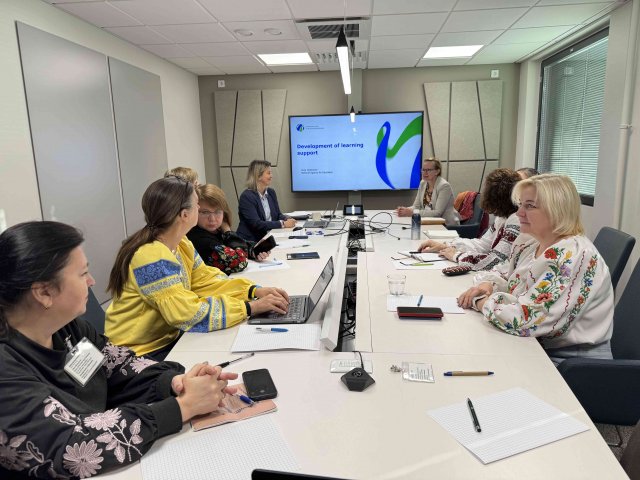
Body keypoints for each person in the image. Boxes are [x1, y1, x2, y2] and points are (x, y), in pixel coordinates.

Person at [0, 221, 238, 479]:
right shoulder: (5, 367)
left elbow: (118, 367)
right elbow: (72, 448)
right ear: (44, 292)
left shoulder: (67, 329)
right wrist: (182, 408)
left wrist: (175, 383)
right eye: (82, 274)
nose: (91, 281)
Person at [105, 176, 289, 360]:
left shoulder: (181, 243)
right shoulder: (152, 257)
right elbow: (187, 315)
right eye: (197, 205)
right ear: (185, 215)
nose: (199, 207)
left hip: (167, 341)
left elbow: (206, 281)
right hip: (137, 352)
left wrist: (253, 291)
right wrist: (249, 308)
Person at [457, 174, 614, 364]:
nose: (519, 213)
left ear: (557, 210)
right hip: (533, 347)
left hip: (569, 365)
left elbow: (525, 321)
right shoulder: (531, 242)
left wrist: (480, 301)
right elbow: (505, 274)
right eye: (520, 205)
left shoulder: (573, 256)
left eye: (530, 206)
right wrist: (488, 285)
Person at [418, 168, 522, 271]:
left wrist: (457, 255)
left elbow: (496, 261)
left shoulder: (517, 220)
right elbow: (482, 245)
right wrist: (446, 245)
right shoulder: (503, 217)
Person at [188, 184, 270, 275]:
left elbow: (240, 246)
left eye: (217, 212)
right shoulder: (198, 238)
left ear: (224, 213)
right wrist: (227, 230)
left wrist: (255, 250)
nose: (212, 219)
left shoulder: (216, 231)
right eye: (205, 212)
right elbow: (240, 262)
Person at [237, 160, 296, 242]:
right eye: (268, 173)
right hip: (251, 242)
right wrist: (283, 224)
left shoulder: (271, 192)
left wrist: (287, 218)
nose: (271, 176)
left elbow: (277, 215)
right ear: (258, 176)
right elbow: (256, 224)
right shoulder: (247, 197)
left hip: (269, 237)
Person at [395, 157, 460, 225]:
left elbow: (437, 213)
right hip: (429, 222)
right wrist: (405, 210)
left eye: (428, 170)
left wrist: (412, 212)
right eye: (423, 170)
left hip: (446, 224)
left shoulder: (444, 186)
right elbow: (416, 206)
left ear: (437, 171)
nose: (424, 173)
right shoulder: (423, 183)